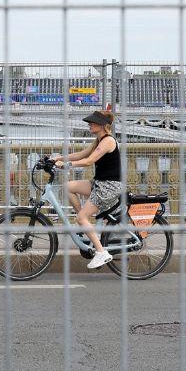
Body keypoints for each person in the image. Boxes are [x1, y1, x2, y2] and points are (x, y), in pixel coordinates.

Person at [49, 109, 122, 270]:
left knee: (81, 218)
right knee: (68, 187)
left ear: (102, 125)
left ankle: (101, 252)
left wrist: (66, 165)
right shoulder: (99, 140)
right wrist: (57, 158)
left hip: (109, 186)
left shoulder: (108, 141)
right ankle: (84, 222)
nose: (89, 124)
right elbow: (82, 154)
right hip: (99, 183)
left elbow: (89, 161)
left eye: (92, 122)